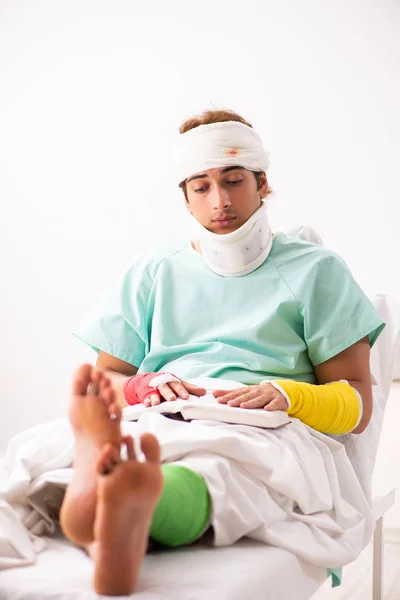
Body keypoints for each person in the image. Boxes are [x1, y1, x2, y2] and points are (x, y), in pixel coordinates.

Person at [60, 109, 385, 596]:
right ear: (186, 198)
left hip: (270, 428)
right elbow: (103, 382)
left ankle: (132, 499)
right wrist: (141, 385)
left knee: (226, 471)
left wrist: (290, 395)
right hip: (163, 414)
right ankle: (116, 493)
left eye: (234, 181)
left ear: (262, 183)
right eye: (202, 187)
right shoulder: (155, 270)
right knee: (59, 453)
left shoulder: (316, 271)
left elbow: (357, 405)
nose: (221, 201)